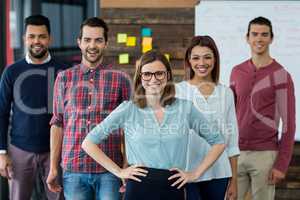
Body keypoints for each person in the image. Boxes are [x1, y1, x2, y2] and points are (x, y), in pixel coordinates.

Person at [81, 50, 226, 200]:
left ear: (168, 75)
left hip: (173, 188)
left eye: (159, 73)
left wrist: (195, 174)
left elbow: (219, 142)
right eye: (147, 74)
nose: (153, 79)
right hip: (138, 188)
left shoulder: (186, 108)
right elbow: (88, 143)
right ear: (140, 77)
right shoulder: (128, 109)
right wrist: (119, 171)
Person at [46, 17, 131, 200]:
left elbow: (128, 126)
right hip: (74, 169)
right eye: (87, 39)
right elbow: (57, 123)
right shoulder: (64, 78)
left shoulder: (121, 79)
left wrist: (126, 164)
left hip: (110, 169)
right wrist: (53, 167)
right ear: (79, 42)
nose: (92, 45)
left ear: (106, 43)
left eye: (98, 40)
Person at [0, 14, 67, 200]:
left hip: (57, 152)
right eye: (32, 36)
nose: (36, 41)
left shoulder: (64, 71)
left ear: (49, 38)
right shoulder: (12, 71)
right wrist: (2, 152)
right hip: (20, 151)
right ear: (24, 39)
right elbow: (2, 112)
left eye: (42, 36)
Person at [230, 16, 296, 200]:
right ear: (247, 37)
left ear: (271, 38)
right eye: (255, 34)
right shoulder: (237, 71)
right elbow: (230, 113)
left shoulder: (282, 75)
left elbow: (289, 123)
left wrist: (281, 164)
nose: (259, 39)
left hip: (265, 155)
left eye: (264, 34)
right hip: (236, 153)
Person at [176, 35, 240, 200]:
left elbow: (231, 140)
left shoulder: (226, 93)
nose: (201, 63)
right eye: (196, 58)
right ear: (189, 61)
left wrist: (234, 180)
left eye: (207, 57)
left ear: (215, 60)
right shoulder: (178, 91)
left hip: (219, 172)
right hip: (186, 171)